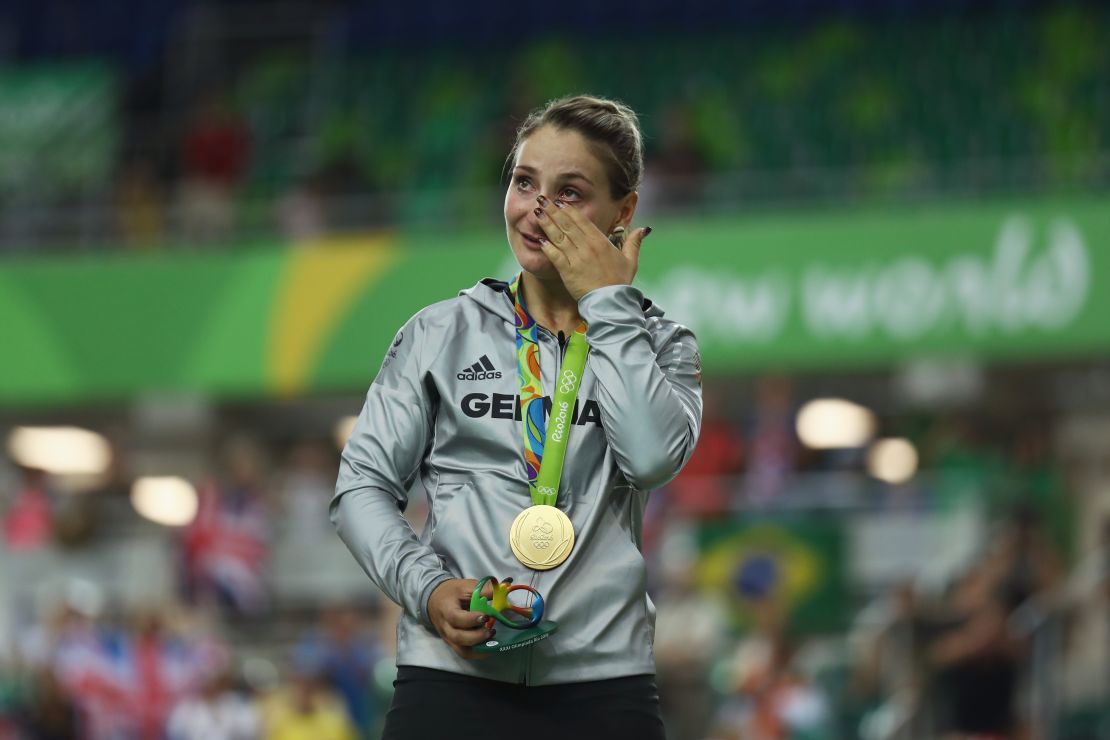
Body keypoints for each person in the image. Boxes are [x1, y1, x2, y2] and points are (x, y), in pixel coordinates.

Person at [331, 95, 703, 740]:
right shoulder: (438, 334)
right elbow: (361, 486)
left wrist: (610, 307)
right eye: (524, 182)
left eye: (570, 192)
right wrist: (427, 589)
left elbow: (650, 459)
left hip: (603, 688)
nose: (537, 208)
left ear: (624, 210)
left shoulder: (660, 344)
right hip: (450, 677)